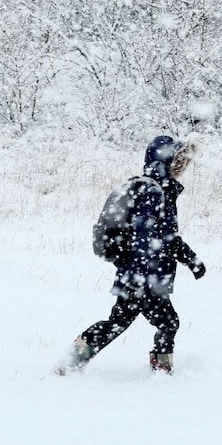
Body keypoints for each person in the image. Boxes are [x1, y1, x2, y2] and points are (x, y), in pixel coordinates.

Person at [56, 135, 206, 375]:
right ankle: (161, 373)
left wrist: (188, 259)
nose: (182, 168)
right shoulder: (153, 193)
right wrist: (147, 273)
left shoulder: (154, 189)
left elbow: (163, 237)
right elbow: (148, 238)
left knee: (119, 323)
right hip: (145, 276)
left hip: (138, 274)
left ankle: (71, 361)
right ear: (164, 163)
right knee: (167, 322)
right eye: (179, 162)